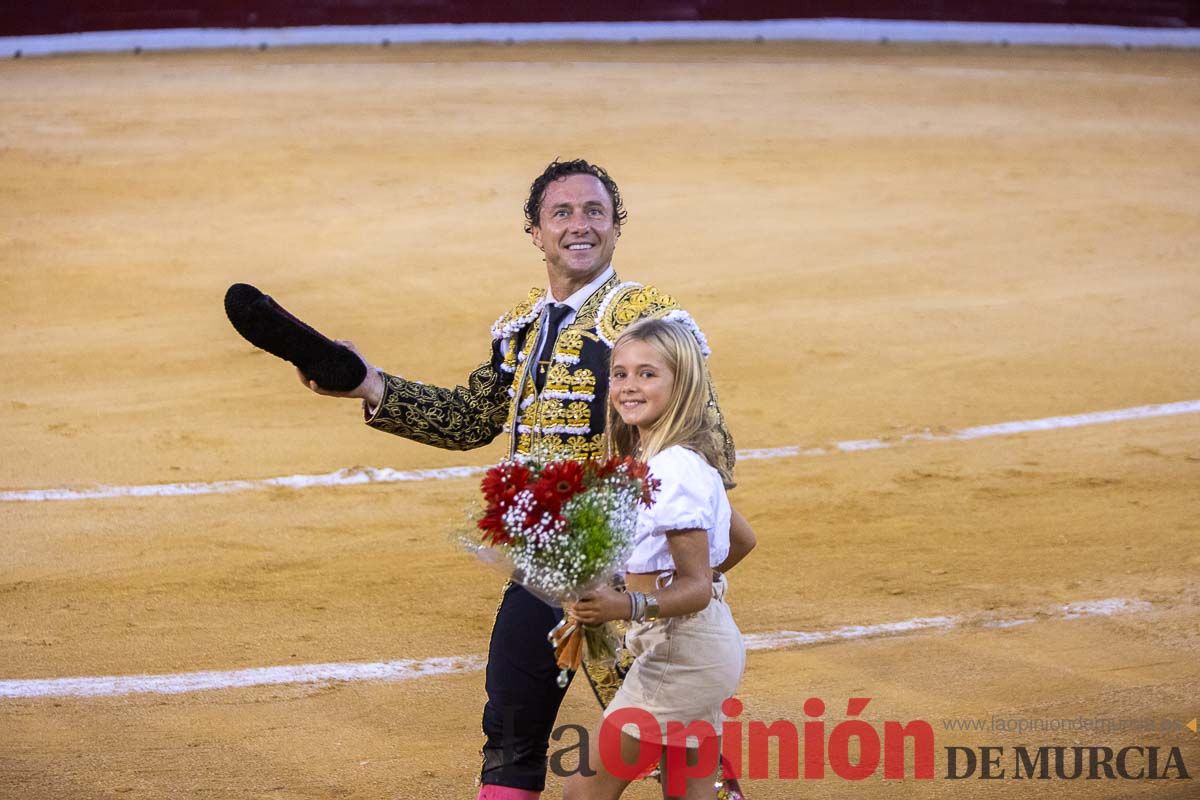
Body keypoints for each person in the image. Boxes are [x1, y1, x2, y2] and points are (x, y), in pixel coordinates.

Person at [297, 159, 750, 799]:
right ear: (534, 232)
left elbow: (708, 438)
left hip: (627, 575)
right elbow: (472, 418)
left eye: (594, 211)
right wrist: (368, 384)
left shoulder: (646, 317)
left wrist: (660, 538)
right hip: (544, 566)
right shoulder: (523, 327)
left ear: (616, 228)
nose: (579, 225)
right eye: (561, 213)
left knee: (673, 745)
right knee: (511, 727)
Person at [566, 318, 751, 800]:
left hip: (680, 653)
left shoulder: (671, 468)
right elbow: (741, 540)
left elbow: (694, 587)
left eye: (647, 374)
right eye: (621, 374)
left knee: (584, 795)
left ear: (681, 383)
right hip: (698, 646)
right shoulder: (677, 457)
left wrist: (627, 605)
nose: (629, 386)